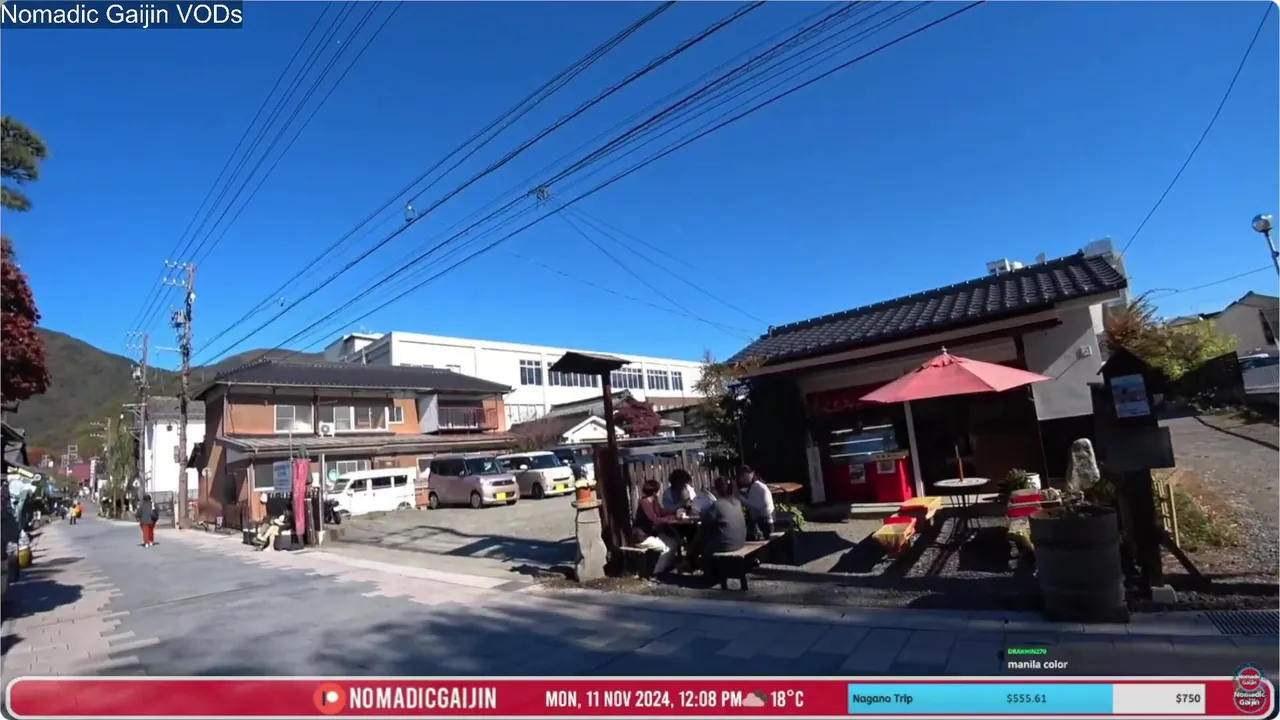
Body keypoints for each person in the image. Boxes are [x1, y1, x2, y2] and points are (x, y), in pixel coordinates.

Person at [688, 476, 747, 572]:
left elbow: (705, 521)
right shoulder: (737, 502)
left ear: (716, 490)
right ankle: (693, 561)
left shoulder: (717, 505)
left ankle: (694, 562)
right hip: (740, 542)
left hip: (725, 544)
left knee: (702, 534)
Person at [737, 466, 775, 541]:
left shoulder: (756, 487)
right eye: (740, 477)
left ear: (751, 474)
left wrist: (739, 497)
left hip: (765, 523)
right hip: (766, 520)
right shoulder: (757, 485)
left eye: (743, 476)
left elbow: (752, 505)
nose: (741, 479)